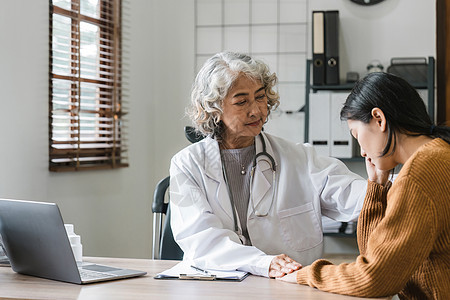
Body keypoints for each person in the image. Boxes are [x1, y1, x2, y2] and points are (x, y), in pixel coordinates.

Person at [169, 51, 367, 278]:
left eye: (261, 97)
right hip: (214, 285)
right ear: (215, 108)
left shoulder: (297, 157)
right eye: (242, 101)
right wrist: (263, 263)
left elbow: (353, 194)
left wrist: (398, 184)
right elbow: (201, 240)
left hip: (286, 287)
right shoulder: (187, 165)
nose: (256, 111)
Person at [279, 72, 450, 299]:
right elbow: (376, 257)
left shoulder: (420, 174)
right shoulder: (437, 155)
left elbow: (373, 279)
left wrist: (307, 273)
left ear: (379, 119)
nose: (361, 151)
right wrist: (376, 186)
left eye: (356, 134)